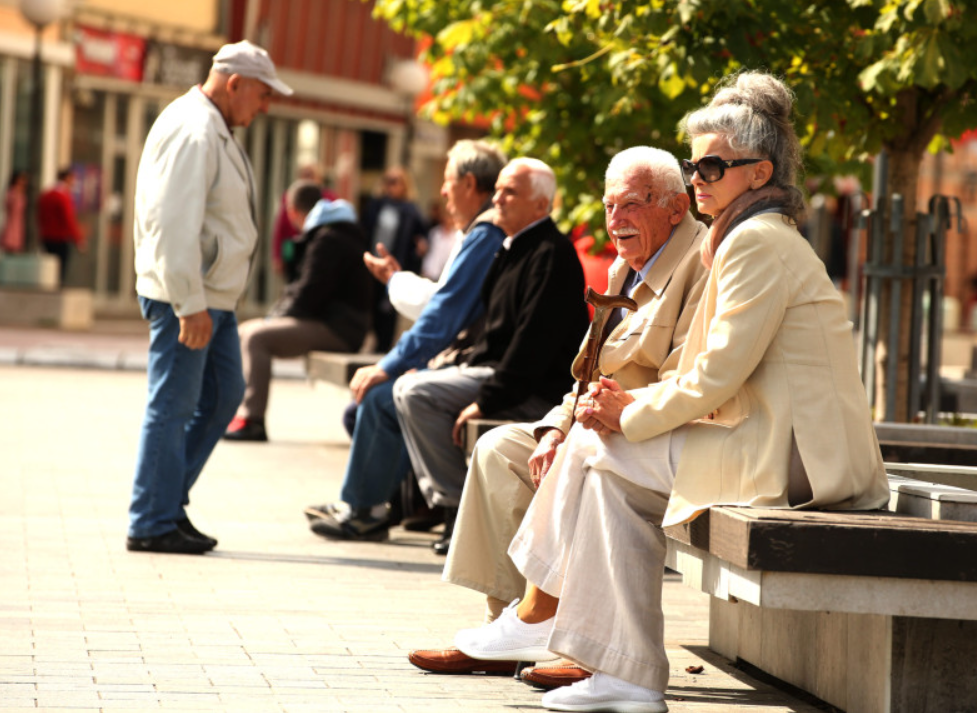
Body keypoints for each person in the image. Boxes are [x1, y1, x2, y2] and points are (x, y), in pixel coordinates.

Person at [453, 71, 891, 713]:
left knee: (597, 452)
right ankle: (624, 675)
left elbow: (716, 373)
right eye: (695, 166)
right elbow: (702, 368)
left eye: (713, 167)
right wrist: (621, 415)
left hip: (797, 461)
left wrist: (630, 414)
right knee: (602, 470)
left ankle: (544, 612)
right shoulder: (743, 239)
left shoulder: (758, 242)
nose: (698, 180)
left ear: (760, 173)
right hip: (768, 440)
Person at [408, 145, 709, 680]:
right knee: (501, 448)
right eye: (609, 206)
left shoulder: (699, 266)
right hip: (597, 421)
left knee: (590, 462)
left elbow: (686, 384)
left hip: (649, 432)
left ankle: (564, 637)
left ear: (675, 207)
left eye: (632, 205)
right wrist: (554, 427)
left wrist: (596, 421)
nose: (616, 221)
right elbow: (587, 371)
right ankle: (507, 626)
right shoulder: (624, 269)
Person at [126, 40, 293, 555]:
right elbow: (172, 222)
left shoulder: (212, 125)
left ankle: (166, 504)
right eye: (262, 95)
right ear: (235, 83)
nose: (264, 107)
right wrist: (188, 302)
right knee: (172, 407)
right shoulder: (195, 129)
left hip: (211, 298)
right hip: (191, 299)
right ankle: (152, 520)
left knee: (222, 398)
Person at [305, 140, 508, 540]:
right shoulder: (479, 232)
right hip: (476, 360)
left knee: (382, 397)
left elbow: (443, 313)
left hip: (490, 368)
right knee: (373, 400)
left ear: (469, 183)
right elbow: (445, 302)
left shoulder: (486, 232)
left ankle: (365, 510)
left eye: (448, 182)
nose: (443, 191)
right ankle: (379, 502)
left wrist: (389, 365)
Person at [389, 158, 590, 555]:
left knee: (416, 394)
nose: (496, 197)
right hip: (501, 375)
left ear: (541, 205)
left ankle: (455, 510)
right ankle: (455, 508)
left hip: (532, 390)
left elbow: (531, 349)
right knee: (410, 386)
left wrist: (485, 401)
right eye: (497, 188)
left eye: (510, 191)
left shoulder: (550, 254)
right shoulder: (511, 247)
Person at [224, 182, 371, 442]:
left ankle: (252, 418)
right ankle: (238, 411)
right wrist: (274, 316)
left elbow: (308, 295)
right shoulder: (336, 230)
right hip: (337, 324)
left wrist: (273, 318)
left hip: (338, 329)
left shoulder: (329, 238)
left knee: (257, 337)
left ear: (292, 211)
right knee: (247, 330)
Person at [362, 166, 428, 351]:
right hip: (373, 264)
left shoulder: (411, 210)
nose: (390, 186)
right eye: (388, 181)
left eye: (395, 181)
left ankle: (383, 347)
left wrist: (421, 247)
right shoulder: (376, 205)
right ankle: (372, 342)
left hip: (395, 266)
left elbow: (422, 235)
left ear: (404, 184)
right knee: (371, 306)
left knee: (389, 307)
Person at [38, 168, 85, 283]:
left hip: (46, 236)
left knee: (49, 267)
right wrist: (78, 238)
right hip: (60, 237)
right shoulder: (63, 197)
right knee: (60, 269)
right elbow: (68, 219)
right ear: (67, 179)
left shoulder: (46, 195)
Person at [1, 170, 27, 253]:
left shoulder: (21, 192)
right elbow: (7, 204)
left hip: (18, 220)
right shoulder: (12, 192)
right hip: (12, 220)